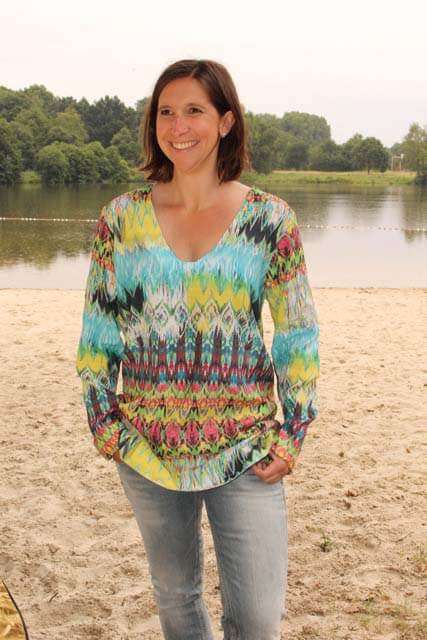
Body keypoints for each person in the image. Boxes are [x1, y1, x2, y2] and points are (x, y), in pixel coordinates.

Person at [76, 58, 320, 640]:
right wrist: (103, 420)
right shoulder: (121, 219)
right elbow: (99, 330)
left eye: (194, 110)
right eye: (166, 112)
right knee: (176, 598)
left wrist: (294, 430)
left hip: (245, 447)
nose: (178, 126)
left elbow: (296, 332)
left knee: (256, 618)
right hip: (146, 450)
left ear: (226, 122)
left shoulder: (269, 220)